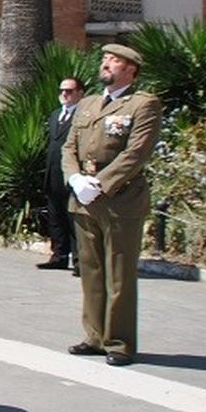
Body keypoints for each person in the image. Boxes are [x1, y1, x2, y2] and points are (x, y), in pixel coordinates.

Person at [64, 45, 162, 366]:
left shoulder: (143, 104)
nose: (106, 64)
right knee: (90, 271)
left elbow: (136, 153)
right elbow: (69, 146)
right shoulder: (89, 103)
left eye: (114, 61)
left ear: (131, 69)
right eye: (105, 59)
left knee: (119, 274)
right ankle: (94, 336)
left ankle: (119, 342)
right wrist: (76, 179)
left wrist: (101, 184)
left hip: (121, 200)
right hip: (84, 198)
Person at [39, 76, 85, 272]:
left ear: (80, 93)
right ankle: (59, 255)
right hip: (53, 173)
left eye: (69, 91)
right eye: (62, 91)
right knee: (55, 216)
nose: (64, 94)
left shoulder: (83, 117)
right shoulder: (55, 115)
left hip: (72, 173)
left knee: (73, 218)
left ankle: (79, 261)